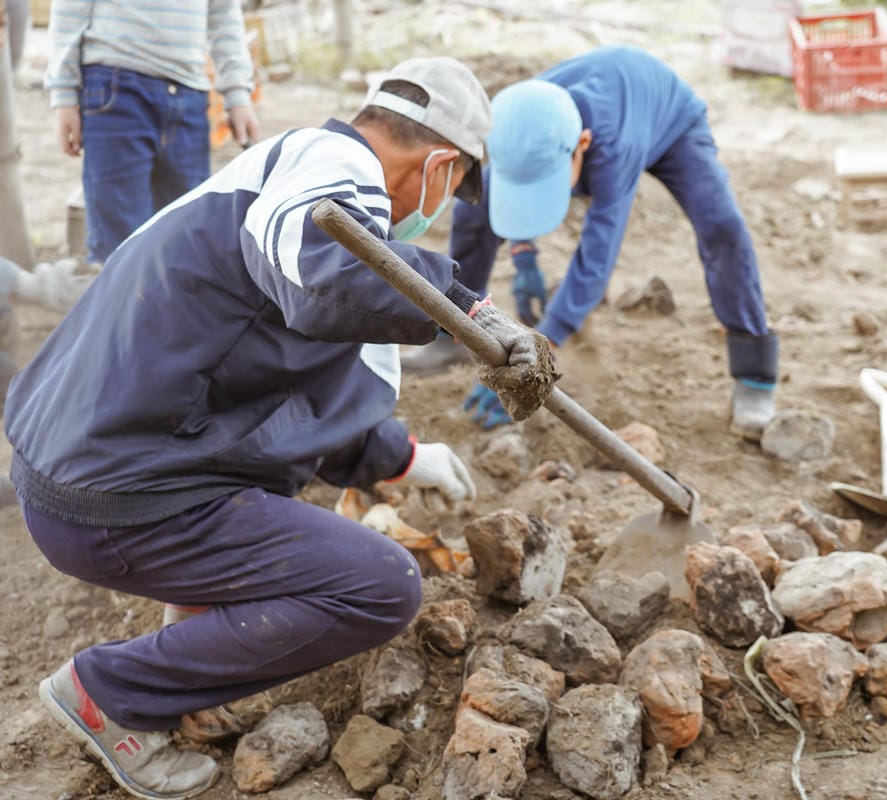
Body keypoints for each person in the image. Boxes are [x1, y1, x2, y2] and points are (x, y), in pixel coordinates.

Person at [7, 57, 538, 800]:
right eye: (455, 190)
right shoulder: (334, 177)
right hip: (113, 497)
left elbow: (279, 373)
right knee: (380, 586)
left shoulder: (281, 162)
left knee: (274, 508)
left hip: (86, 459)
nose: (443, 208)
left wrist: (399, 454)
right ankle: (110, 691)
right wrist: (464, 307)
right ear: (443, 164)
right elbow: (321, 274)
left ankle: (183, 686)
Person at [403, 45, 779, 441]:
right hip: (582, 120)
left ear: (582, 145)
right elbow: (512, 186)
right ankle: (452, 335)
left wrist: (541, 350)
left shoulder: (614, 148)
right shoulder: (520, 117)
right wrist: (523, 252)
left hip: (669, 119)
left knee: (723, 227)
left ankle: (755, 374)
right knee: (473, 211)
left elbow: (597, 256)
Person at [45, 0, 262, 264]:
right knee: (120, 243)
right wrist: (64, 93)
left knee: (184, 239)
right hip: (116, 85)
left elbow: (223, 11)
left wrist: (238, 94)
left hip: (189, 94)